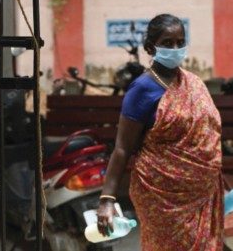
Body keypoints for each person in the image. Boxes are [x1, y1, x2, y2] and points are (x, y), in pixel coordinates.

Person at [96, 13, 224, 250]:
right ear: (150, 47)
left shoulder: (193, 83)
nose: (175, 48)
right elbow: (123, 148)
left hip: (201, 195)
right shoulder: (142, 89)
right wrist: (107, 199)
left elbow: (208, 133)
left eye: (180, 42)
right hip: (160, 197)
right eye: (167, 43)